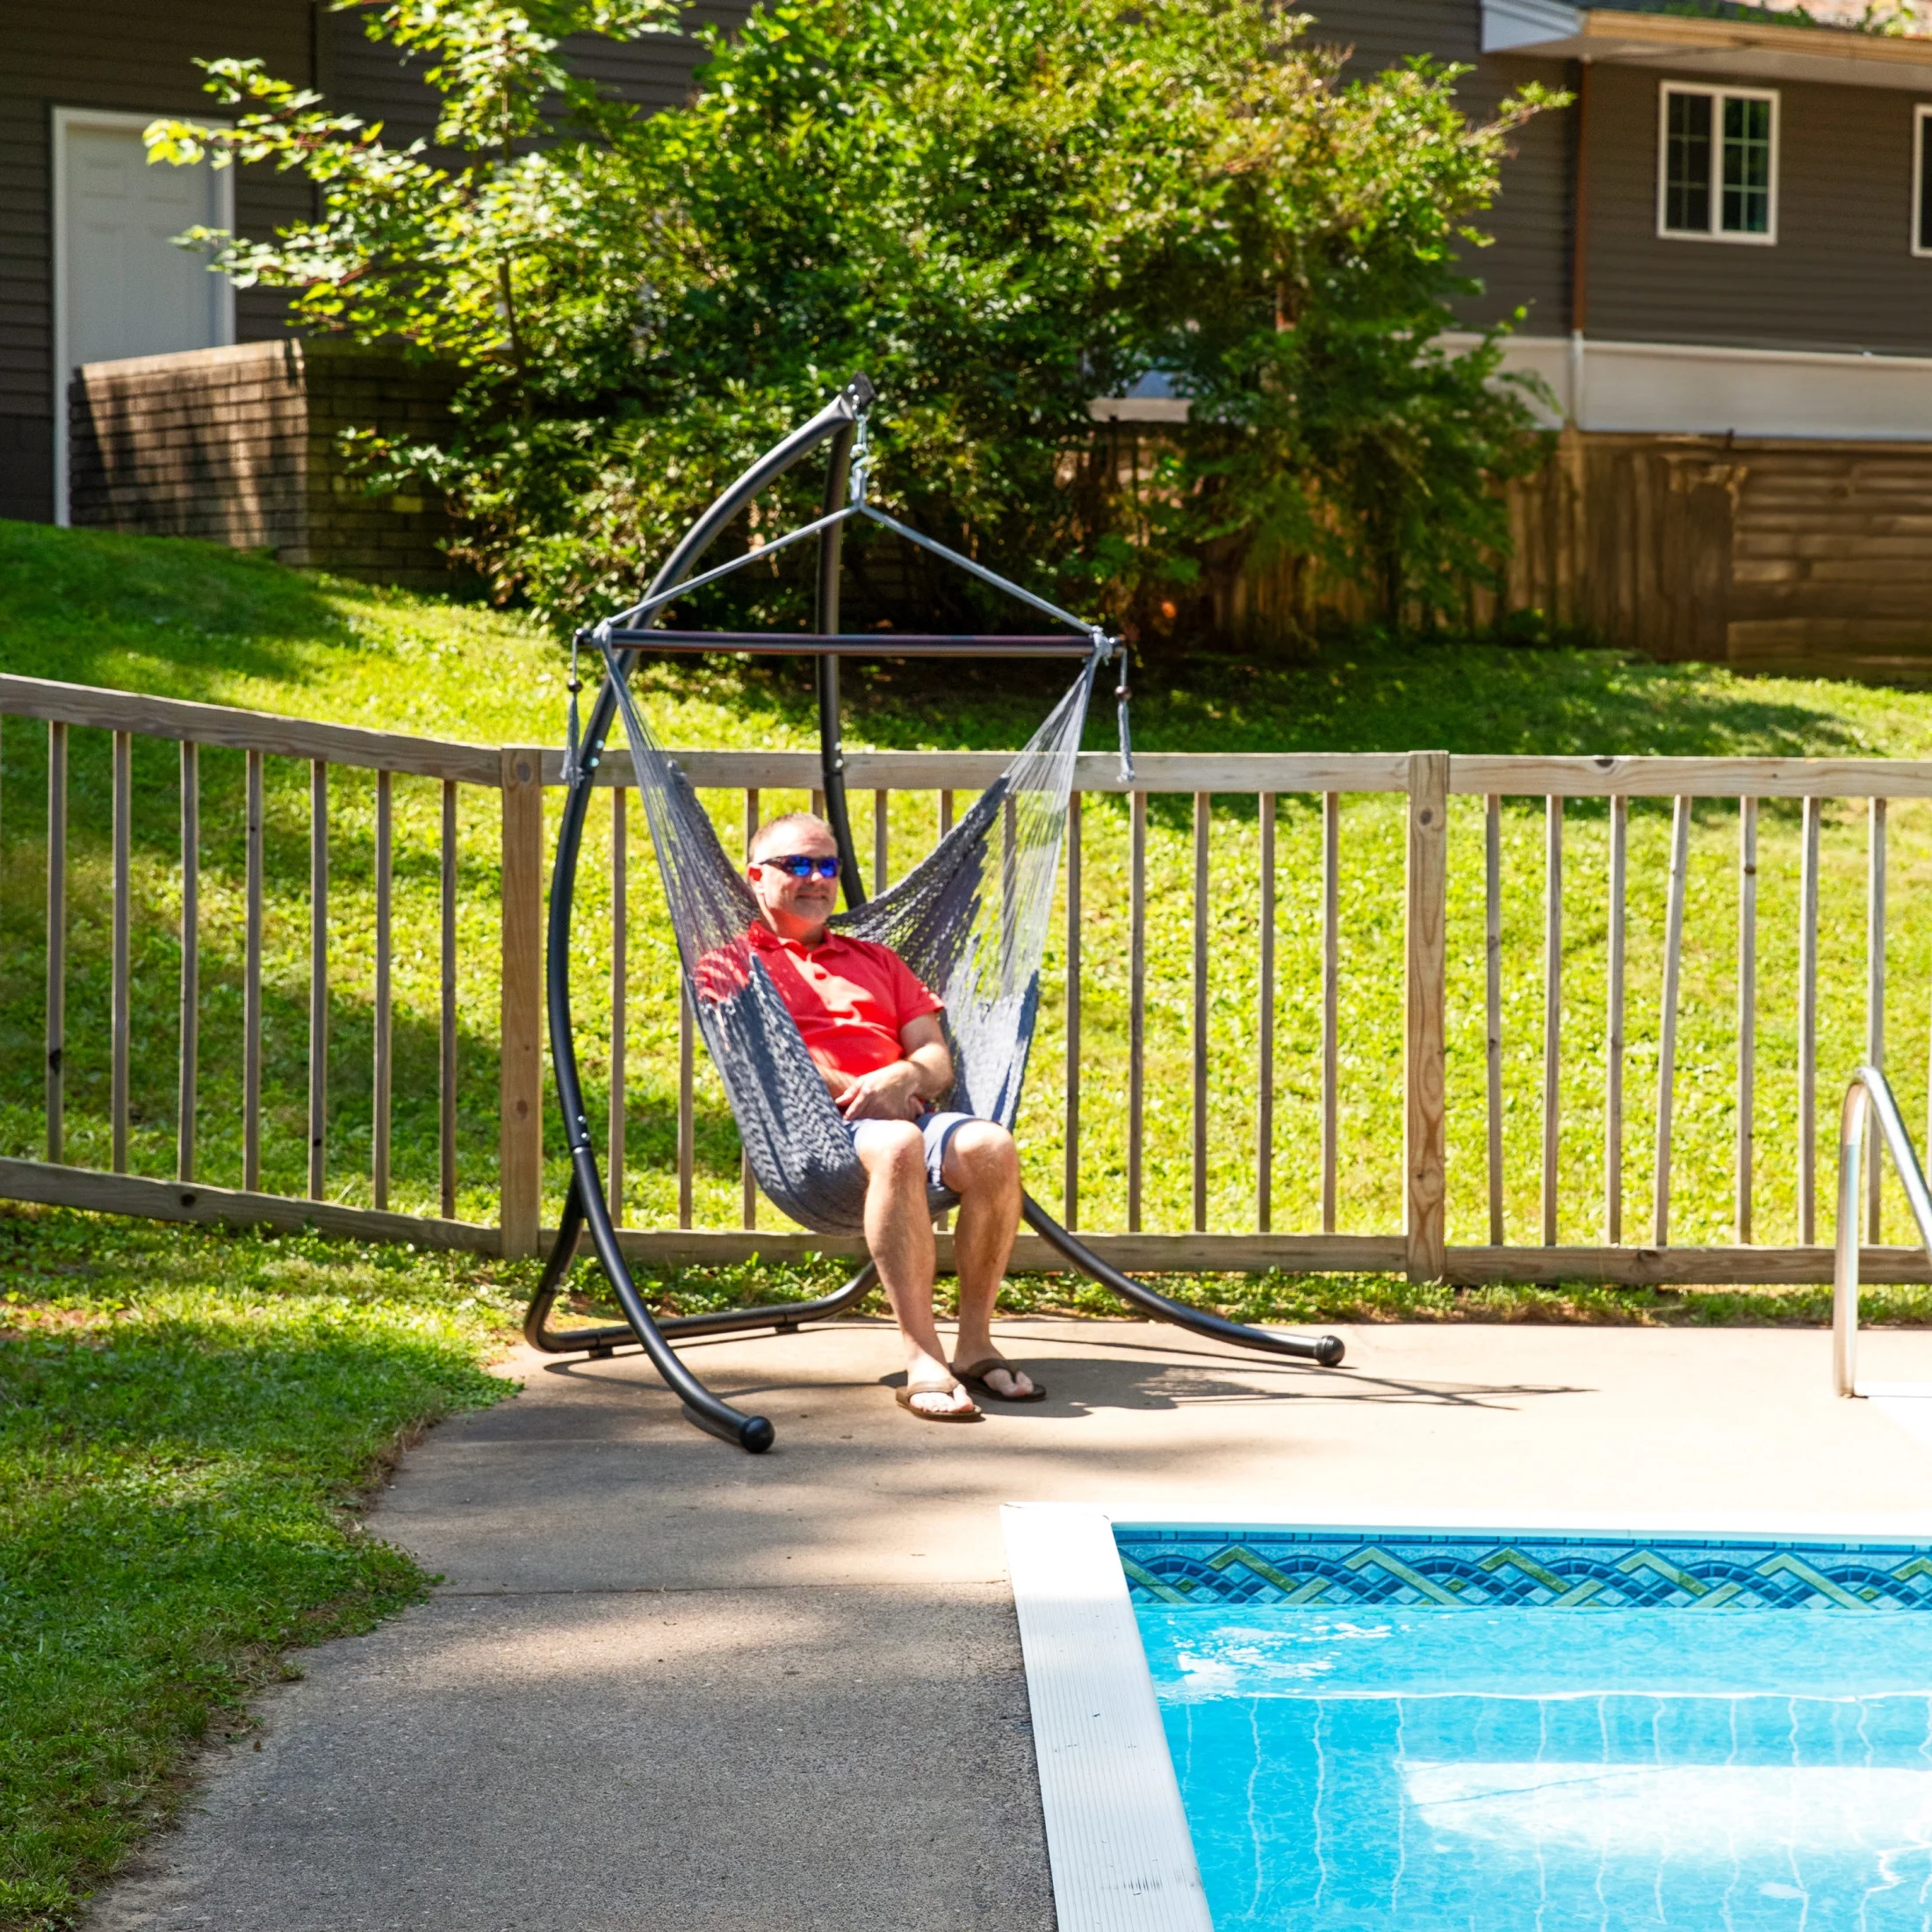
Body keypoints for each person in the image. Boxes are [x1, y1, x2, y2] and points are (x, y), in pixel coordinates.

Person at [712, 811, 1042, 1422]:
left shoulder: (878, 960)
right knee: (896, 1143)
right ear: (756, 877)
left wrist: (904, 1078)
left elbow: (934, 1057)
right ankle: (923, 1358)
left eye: (827, 865)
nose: (817, 878)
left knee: (991, 1145)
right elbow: (760, 1060)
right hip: (813, 1136)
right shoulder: (732, 966)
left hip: (903, 1115)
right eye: (797, 864)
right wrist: (869, 1090)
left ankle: (974, 1345)